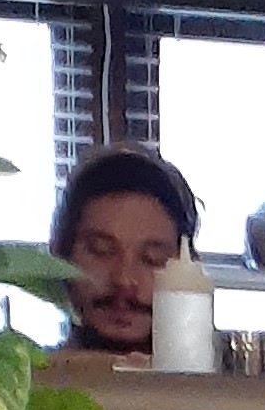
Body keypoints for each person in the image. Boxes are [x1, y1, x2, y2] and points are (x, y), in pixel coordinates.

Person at [51, 147, 200, 355]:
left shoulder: (226, 376)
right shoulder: (23, 375)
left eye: (152, 259)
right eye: (101, 251)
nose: (124, 280)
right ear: (60, 252)